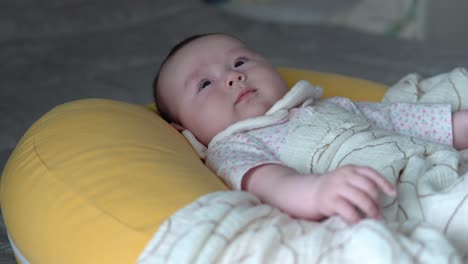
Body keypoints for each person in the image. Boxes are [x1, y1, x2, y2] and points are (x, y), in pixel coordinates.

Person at [153, 33, 468, 224]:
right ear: (185, 130)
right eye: (205, 83)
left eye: (240, 62)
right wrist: (317, 192)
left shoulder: (330, 106)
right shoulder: (233, 146)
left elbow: (406, 122)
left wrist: (460, 123)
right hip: (391, 199)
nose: (233, 77)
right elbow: (273, 184)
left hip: (438, 167)